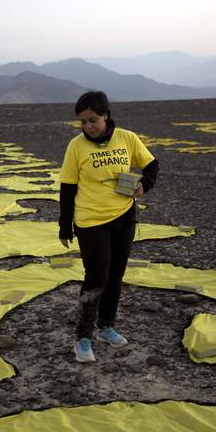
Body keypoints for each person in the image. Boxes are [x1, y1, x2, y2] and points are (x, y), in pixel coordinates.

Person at [59, 91, 159, 363]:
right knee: (96, 277)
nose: (88, 127)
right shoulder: (76, 146)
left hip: (124, 217)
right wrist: (64, 226)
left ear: (105, 115)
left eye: (93, 120)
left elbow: (151, 165)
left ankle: (106, 327)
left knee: (116, 275)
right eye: (83, 122)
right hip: (91, 222)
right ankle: (82, 337)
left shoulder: (127, 138)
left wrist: (143, 185)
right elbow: (67, 188)